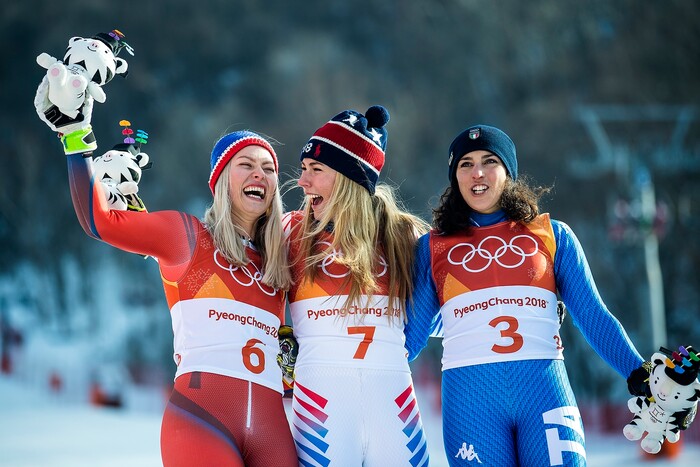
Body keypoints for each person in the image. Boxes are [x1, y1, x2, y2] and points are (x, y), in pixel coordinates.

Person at [38, 81, 298, 463]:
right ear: (222, 180)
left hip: (272, 426)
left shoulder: (281, 260)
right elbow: (99, 221)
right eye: (246, 165)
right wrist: (75, 132)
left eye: (268, 169)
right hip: (202, 420)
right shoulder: (187, 236)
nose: (259, 175)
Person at [404, 124, 651, 466]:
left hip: (545, 395)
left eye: (489, 161)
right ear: (455, 177)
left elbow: (592, 315)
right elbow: (412, 336)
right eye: (465, 164)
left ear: (508, 171)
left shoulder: (553, 235)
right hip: (472, 404)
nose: (477, 172)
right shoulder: (432, 247)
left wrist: (640, 374)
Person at [283, 105, 431, 466]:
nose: (302, 181)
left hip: (393, 401)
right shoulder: (291, 231)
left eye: (316, 170)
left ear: (351, 178)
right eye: (304, 169)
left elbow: (445, 313)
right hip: (322, 402)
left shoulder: (404, 236)